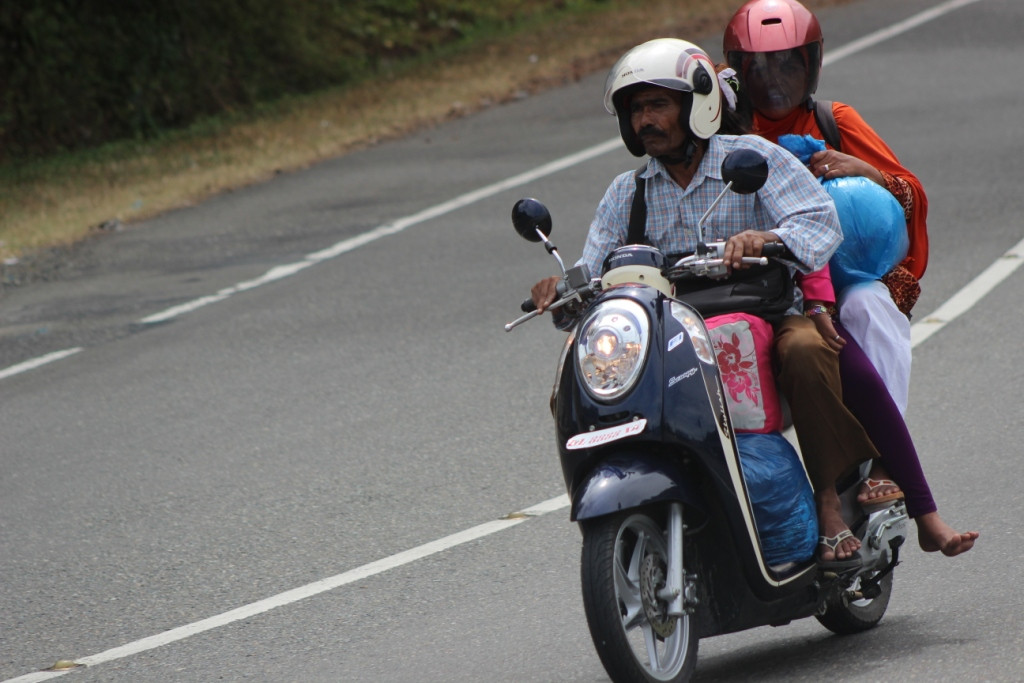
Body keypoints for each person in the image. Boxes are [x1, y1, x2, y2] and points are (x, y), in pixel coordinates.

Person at [531, 37, 883, 567]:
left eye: (657, 105)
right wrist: (559, 292)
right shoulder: (626, 193)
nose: (645, 119)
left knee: (807, 353)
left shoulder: (752, 159)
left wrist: (763, 239)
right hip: (667, 331)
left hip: (765, 313)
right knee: (581, 382)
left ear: (697, 104)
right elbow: (594, 276)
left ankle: (829, 501)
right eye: (636, 109)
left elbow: (819, 223)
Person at [722, 0, 978, 556]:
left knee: (868, 305)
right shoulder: (726, 134)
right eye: (758, 69)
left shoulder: (836, 121)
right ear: (736, 72)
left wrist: (867, 172)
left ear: (812, 64)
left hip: (836, 287)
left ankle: (883, 461)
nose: (773, 82)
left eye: (788, 65)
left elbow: (909, 193)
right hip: (766, 297)